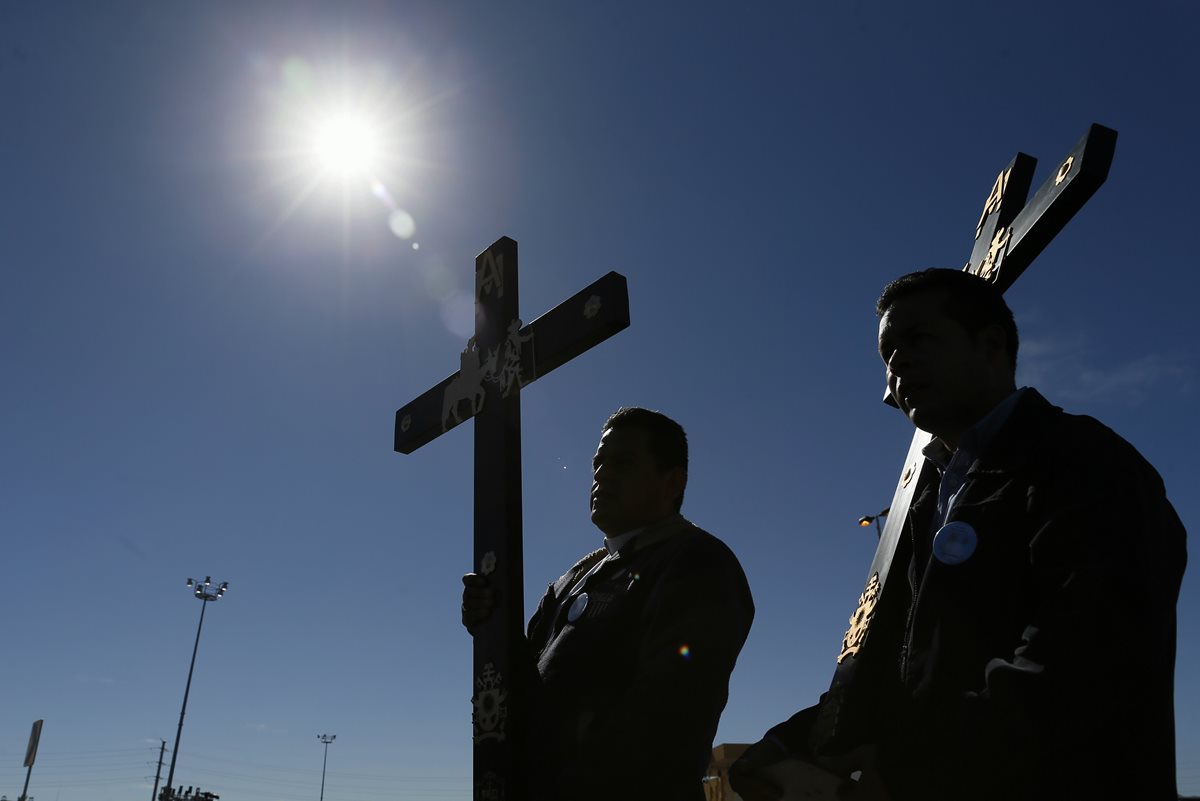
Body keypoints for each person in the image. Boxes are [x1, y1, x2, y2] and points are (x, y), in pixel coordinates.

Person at [731, 269, 1187, 801]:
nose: (897, 365)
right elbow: (905, 674)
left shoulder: (1083, 463)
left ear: (991, 344)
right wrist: (792, 744)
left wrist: (905, 770)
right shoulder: (924, 505)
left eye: (918, 340)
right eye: (887, 354)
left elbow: (1086, 668)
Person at [462, 407, 755, 800]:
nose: (601, 473)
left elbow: (666, 722)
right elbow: (521, 689)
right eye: (598, 462)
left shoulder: (698, 562)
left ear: (673, 481)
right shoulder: (571, 580)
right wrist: (492, 626)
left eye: (624, 462)